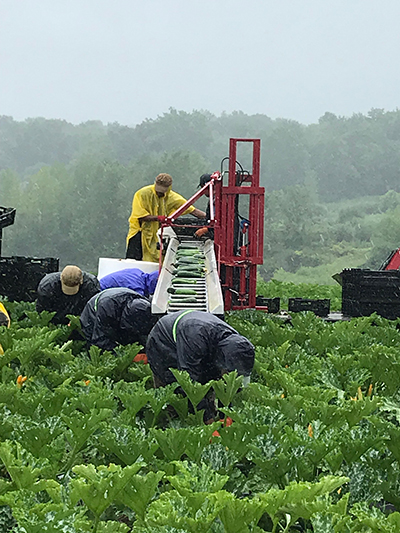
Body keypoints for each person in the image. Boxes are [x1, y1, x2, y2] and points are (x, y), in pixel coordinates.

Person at [146, 310, 254, 420]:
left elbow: (228, 385)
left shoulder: (234, 345)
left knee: (208, 398)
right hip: (163, 346)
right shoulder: (195, 336)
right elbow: (189, 382)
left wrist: (226, 415)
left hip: (200, 347)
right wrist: (207, 421)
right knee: (176, 402)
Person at [126, 173, 206, 262]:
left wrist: (211, 218)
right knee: (134, 262)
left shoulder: (172, 198)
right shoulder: (142, 194)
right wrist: (157, 218)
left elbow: (192, 210)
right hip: (140, 233)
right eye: (157, 192)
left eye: (161, 193)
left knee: (157, 261)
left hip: (159, 235)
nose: (159, 194)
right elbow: (139, 216)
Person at [80, 287, 156, 352]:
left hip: (117, 308)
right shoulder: (107, 309)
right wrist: (126, 357)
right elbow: (100, 341)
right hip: (92, 316)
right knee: (96, 348)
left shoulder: (145, 307)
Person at [36, 265, 101, 325]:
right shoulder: (47, 287)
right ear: (60, 278)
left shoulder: (91, 286)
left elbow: (92, 311)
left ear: (81, 281)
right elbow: (43, 311)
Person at [194, 173, 214, 239]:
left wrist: (205, 230)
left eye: (203, 188)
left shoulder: (217, 201)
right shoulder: (214, 199)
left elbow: (220, 223)